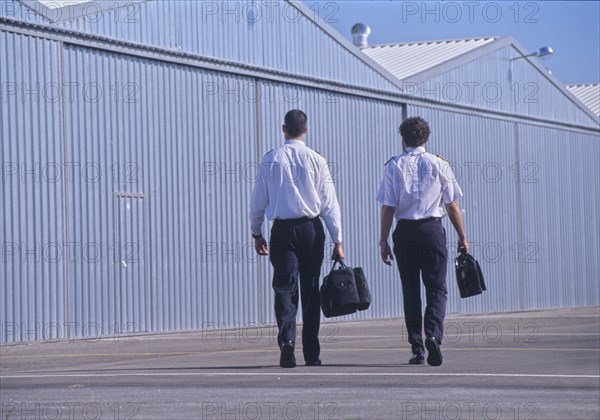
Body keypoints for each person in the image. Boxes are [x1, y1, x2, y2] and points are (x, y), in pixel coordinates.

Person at [249, 109, 345, 368]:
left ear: (284, 129)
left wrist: (256, 232)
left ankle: (287, 342)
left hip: (282, 230)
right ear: (306, 129)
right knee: (310, 289)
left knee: (284, 287)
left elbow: (258, 200)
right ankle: (312, 353)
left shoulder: (270, 159)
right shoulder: (316, 159)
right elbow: (329, 203)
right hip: (311, 229)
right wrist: (338, 239)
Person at [377, 117, 468, 367]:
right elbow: (452, 205)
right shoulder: (439, 164)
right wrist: (462, 237)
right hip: (432, 230)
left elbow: (387, 207)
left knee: (410, 290)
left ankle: (417, 348)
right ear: (426, 138)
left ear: (403, 138)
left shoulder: (393, 166)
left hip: (404, 230)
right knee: (436, 288)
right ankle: (434, 336)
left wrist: (383, 241)